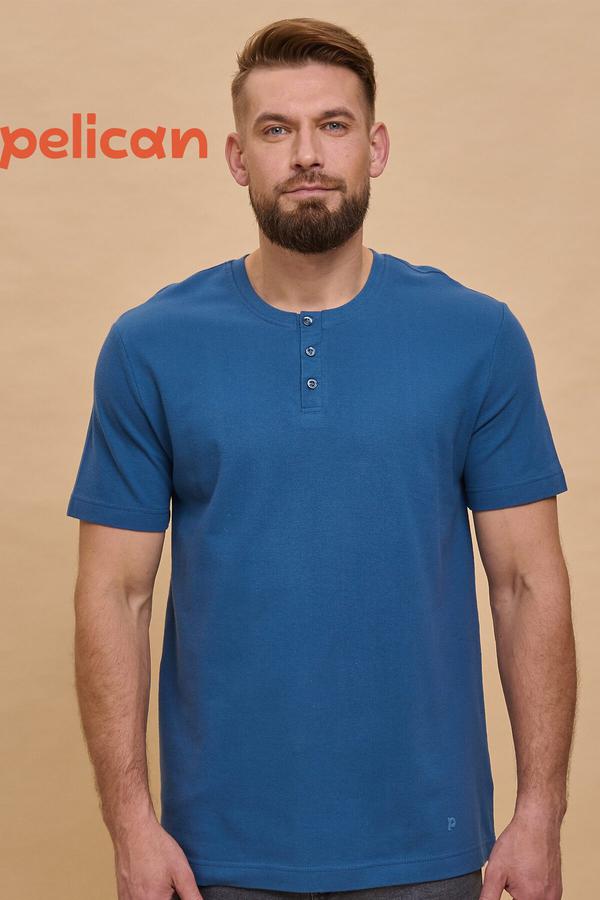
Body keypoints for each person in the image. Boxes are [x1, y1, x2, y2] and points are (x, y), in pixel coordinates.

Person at [66, 16, 576, 900]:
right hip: (214, 857)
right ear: (238, 158)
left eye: (333, 125)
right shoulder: (150, 345)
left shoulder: (477, 336)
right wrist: (130, 823)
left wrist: (540, 814)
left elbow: (528, 584)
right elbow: (115, 593)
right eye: (277, 129)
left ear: (375, 147)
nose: (307, 154)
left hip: (431, 848)